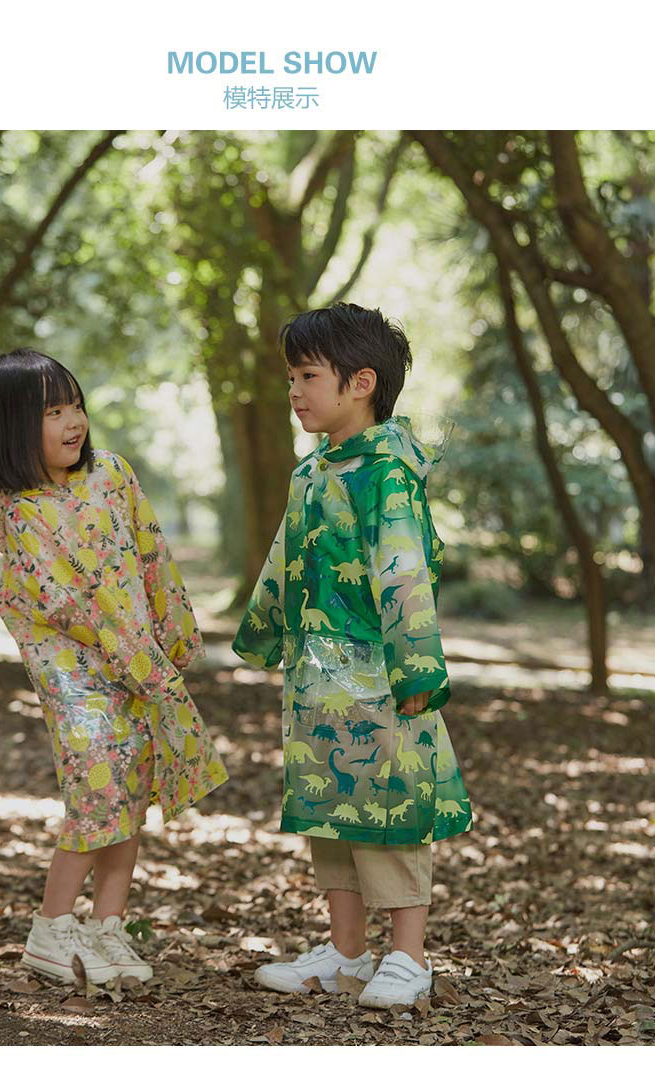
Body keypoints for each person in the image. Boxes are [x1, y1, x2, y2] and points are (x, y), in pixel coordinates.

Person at [0, 348, 228, 985]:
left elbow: (152, 551)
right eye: (53, 412)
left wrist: (173, 634)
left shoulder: (111, 474)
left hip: (140, 658)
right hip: (78, 675)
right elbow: (63, 603)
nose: (73, 421)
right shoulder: (19, 511)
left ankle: (108, 927)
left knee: (132, 788)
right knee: (97, 788)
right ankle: (51, 928)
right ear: (11, 426)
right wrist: (134, 657)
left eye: (74, 405)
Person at [232, 303, 472, 1009]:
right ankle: (345, 953)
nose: (294, 391)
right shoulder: (310, 473)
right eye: (291, 378)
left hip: (380, 675)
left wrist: (417, 667)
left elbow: (403, 570)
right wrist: (263, 630)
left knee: (391, 810)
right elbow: (284, 556)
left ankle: (409, 958)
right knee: (328, 809)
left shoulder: (387, 472)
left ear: (361, 382)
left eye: (308, 376)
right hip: (316, 676)